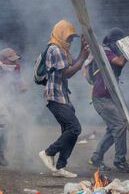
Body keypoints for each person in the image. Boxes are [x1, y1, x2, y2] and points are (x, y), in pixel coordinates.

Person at [38, 20, 90, 178]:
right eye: (68, 38)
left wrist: (82, 51)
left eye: (72, 39)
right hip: (55, 97)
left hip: (62, 96)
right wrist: (82, 59)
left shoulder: (62, 50)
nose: (70, 41)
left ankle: (60, 167)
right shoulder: (55, 49)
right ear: (60, 34)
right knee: (75, 128)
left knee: (69, 132)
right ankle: (48, 152)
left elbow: (73, 62)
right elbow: (68, 72)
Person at [88, 28, 129, 173]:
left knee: (114, 128)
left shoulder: (110, 50)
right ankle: (120, 160)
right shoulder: (105, 51)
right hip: (101, 97)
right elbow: (120, 62)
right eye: (119, 43)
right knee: (119, 126)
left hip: (108, 97)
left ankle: (96, 157)